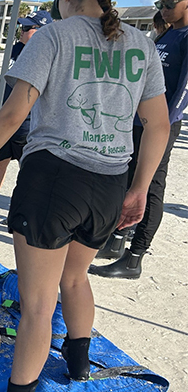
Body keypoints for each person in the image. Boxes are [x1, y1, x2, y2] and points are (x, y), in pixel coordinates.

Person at [0, 0, 169, 392]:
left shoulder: (54, 35)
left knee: (37, 301)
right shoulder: (142, 44)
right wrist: (140, 187)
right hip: (110, 181)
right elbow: (159, 124)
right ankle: (79, 363)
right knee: (74, 278)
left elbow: (15, 113)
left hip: (55, 178)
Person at [89, 0, 188, 278]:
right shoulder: (168, 33)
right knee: (127, 180)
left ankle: (134, 257)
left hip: (160, 126)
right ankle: (116, 241)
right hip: (137, 120)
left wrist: (162, 125)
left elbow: (182, 90)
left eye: (170, 2)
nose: (164, 8)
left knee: (151, 186)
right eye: (160, 3)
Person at [0, 10, 52, 215]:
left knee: (27, 170)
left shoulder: (47, 54)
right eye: (21, 28)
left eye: (27, 28)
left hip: (29, 123)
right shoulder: (14, 50)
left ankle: (20, 210)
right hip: (6, 117)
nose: (22, 32)